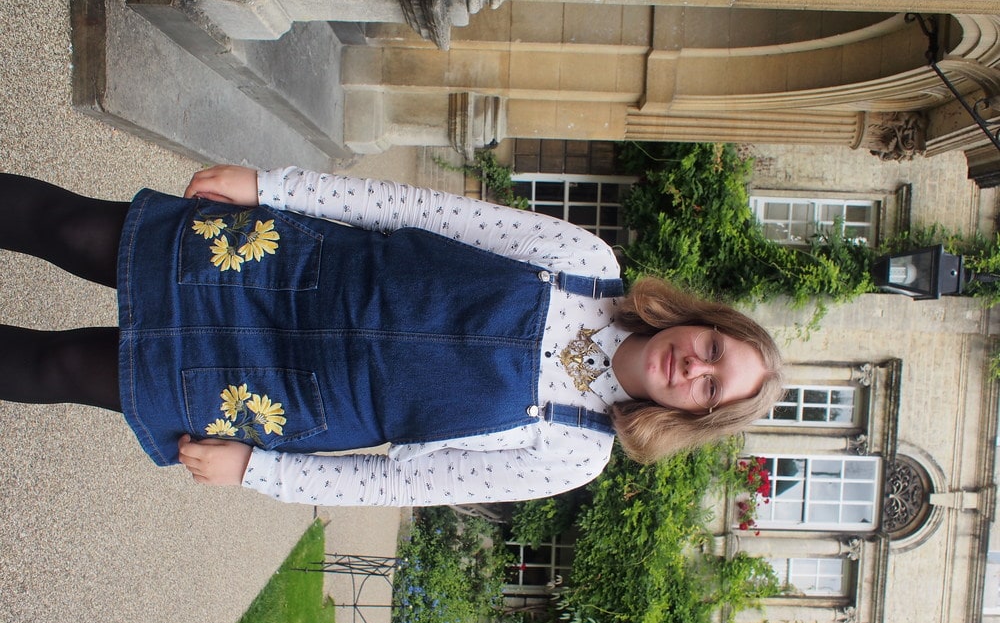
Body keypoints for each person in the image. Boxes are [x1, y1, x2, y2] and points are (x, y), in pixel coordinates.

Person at [0, 165, 783, 507]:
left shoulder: (575, 455)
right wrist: (273, 187)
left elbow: (400, 485)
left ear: (696, 414)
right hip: (285, 269)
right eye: (713, 349)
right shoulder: (584, 262)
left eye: (711, 389)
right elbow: (420, 211)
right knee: (71, 227)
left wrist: (257, 472)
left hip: (284, 394)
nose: (695, 369)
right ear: (698, 322)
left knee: (68, 366)